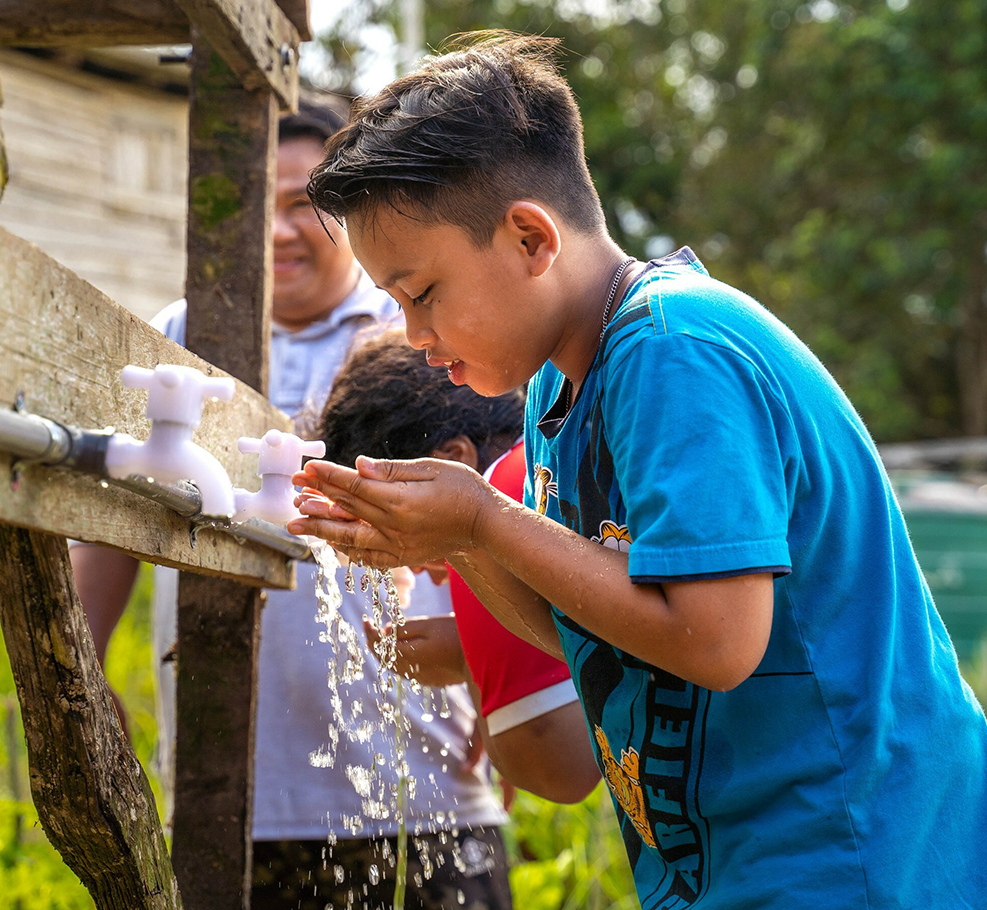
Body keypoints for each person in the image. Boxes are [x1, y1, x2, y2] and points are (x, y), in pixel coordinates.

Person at [287, 33, 987, 910]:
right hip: (737, 867)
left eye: (421, 292)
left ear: (530, 238)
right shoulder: (559, 386)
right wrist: (455, 546)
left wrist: (482, 521)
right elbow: (597, 637)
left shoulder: (672, 351)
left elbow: (719, 642)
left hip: (853, 858)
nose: (415, 334)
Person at [69, 94, 511, 910]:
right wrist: (83, 678)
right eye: (252, 206)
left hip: (421, 781)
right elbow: (110, 517)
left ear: (351, 210)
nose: (275, 230)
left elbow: (506, 491)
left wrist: (510, 673)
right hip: (233, 790)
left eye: (300, 205)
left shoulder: (418, 328)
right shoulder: (182, 338)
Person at [316, 329, 601, 804]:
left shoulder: (492, 503)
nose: (424, 570)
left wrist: (471, 656)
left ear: (453, 462)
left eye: (394, 526)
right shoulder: (555, 458)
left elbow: (559, 771)